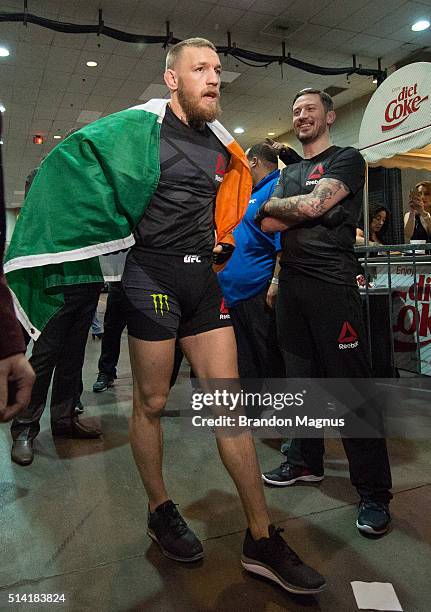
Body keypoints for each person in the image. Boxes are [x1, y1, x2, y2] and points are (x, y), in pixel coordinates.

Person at [4, 40, 325, 595]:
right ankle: (160, 510)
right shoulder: (139, 132)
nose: (214, 79)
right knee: (150, 403)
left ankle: (260, 536)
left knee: (229, 407)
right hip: (150, 279)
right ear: (172, 79)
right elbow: (75, 160)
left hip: (202, 283)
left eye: (218, 70)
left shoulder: (223, 146)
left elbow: (226, 206)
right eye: (200, 70)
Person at [257, 88, 393, 536]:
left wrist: (301, 206)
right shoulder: (290, 169)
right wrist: (293, 211)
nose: (301, 117)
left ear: (329, 116)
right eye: (295, 111)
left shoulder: (347, 159)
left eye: (310, 109)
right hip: (293, 286)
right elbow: (270, 222)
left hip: (334, 286)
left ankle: (374, 493)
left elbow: (312, 204)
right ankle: (304, 461)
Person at [218, 142, 295, 379]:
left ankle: (278, 410)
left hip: (258, 291)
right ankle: (252, 412)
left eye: (244, 161)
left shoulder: (277, 186)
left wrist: (275, 282)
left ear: (253, 161)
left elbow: (282, 240)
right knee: (244, 359)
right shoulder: (249, 192)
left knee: (267, 357)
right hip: (233, 293)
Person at [0, 112, 35, 423]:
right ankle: (26, 428)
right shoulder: (24, 236)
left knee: (68, 360)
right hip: (32, 297)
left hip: (75, 289)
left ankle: (65, 416)